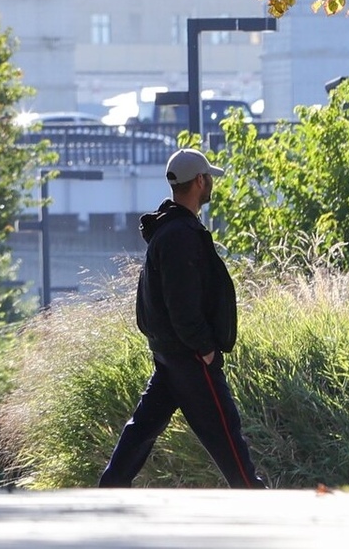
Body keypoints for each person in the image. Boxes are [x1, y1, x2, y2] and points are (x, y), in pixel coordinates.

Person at [99, 148, 264, 489]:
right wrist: (204, 347)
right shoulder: (180, 236)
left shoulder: (170, 230)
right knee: (224, 428)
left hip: (169, 354)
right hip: (188, 355)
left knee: (143, 428)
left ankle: (111, 487)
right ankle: (252, 493)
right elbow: (182, 303)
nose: (210, 186)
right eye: (208, 179)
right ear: (200, 181)